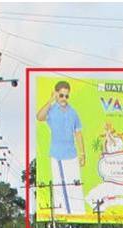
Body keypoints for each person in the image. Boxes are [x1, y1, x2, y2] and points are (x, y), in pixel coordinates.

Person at [36, 80, 86, 215]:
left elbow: (78, 133)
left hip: (72, 153)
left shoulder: (73, 113)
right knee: (59, 185)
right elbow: (39, 117)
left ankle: (77, 212)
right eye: (61, 95)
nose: (64, 99)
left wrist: (82, 154)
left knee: (75, 184)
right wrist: (50, 100)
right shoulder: (51, 111)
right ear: (57, 94)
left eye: (66, 96)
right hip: (57, 154)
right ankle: (62, 213)